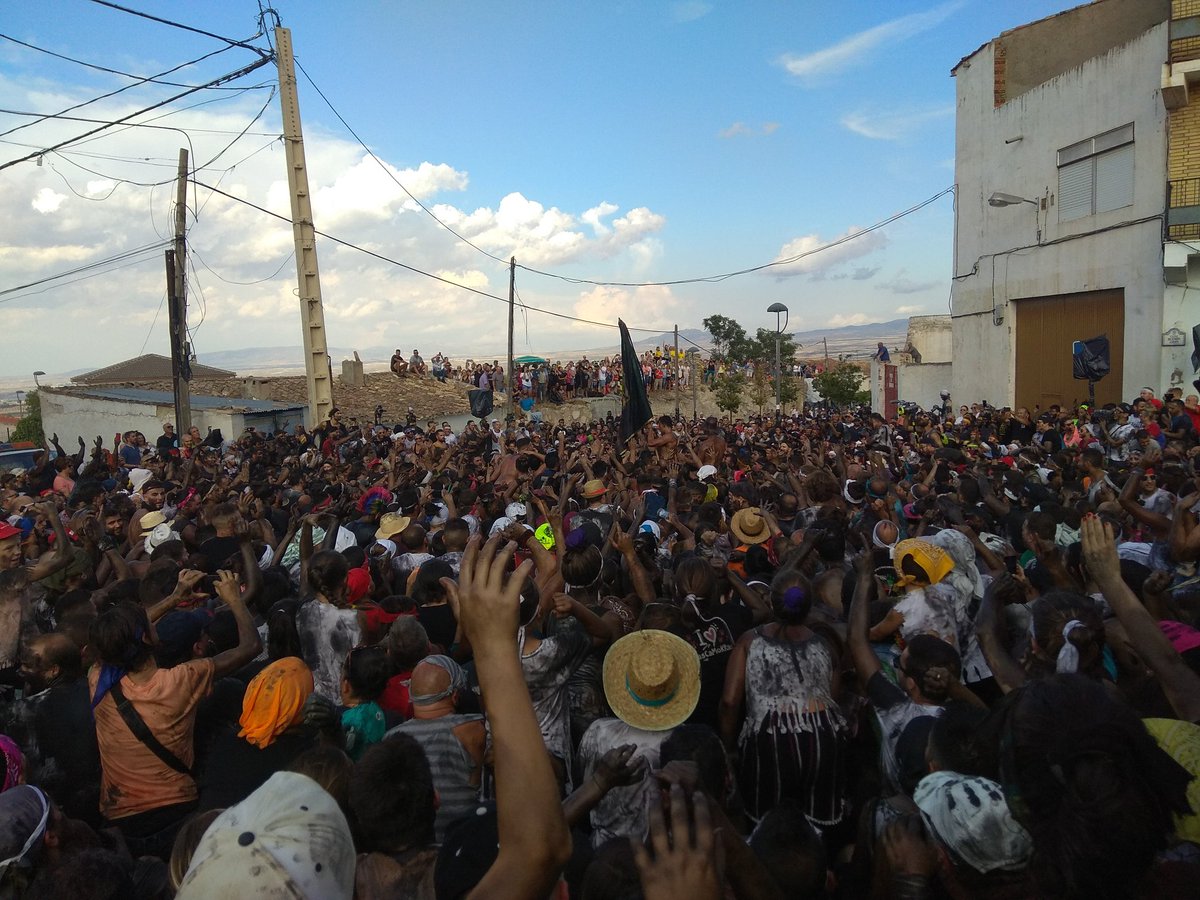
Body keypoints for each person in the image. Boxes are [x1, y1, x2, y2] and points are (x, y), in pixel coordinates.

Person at [88, 569, 261, 859]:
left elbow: (113, 639)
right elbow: (251, 646)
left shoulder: (98, 679)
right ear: (146, 636)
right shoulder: (179, 680)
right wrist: (234, 599)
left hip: (118, 819)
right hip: (174, 811)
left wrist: (174, 598)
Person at [384, 655, 485, 840]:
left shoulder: (391, 739)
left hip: (412, 845)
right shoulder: (472, 730)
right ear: (455, 696)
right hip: (463, 843)